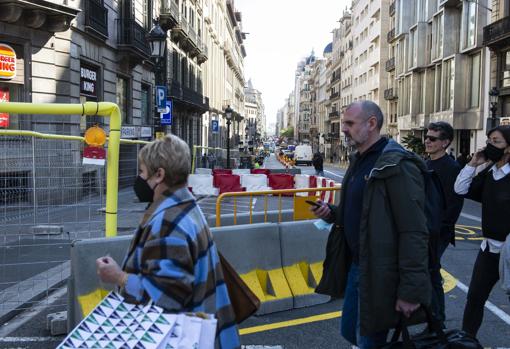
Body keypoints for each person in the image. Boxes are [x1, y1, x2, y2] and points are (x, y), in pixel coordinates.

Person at [96, 135, 240, 349]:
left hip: (185, 338)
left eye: (142, 172)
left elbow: (168, 296)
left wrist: (119, 277)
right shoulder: (189, 206)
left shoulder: (168, 221)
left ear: (159, 175)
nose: (139, 178)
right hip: (209, 333)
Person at [312, 101, 431, 348]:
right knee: (350, 332)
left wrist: (410, 292)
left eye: (349, 123)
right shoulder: (358, 161)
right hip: (358, 266)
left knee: (369, 340)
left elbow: (414, 231)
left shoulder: (396, 164)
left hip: (381, 272)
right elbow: (363, 211)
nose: (343, 128)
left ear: (372, 124)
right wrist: (332, 213)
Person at [454, 125, 510, 337]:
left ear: (509, 148)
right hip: (488, 249)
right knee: (475, 298)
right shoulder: (489, 172)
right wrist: (472, 164)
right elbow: (460, 189)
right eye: (489, 141)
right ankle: (467, 340)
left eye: (496, 142)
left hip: (509, 251)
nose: (489, 146)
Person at [424, 121, 464, 328]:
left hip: (438, 233)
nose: (427, 141)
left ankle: (437, 323)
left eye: (433, 138)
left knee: (430, 271)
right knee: (430, 272)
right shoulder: (426, 163)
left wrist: (441, 230)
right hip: (424, 231)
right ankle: (434, 321)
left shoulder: (451, 167)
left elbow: (454, 204)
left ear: (445, 142)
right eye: (427, 136)